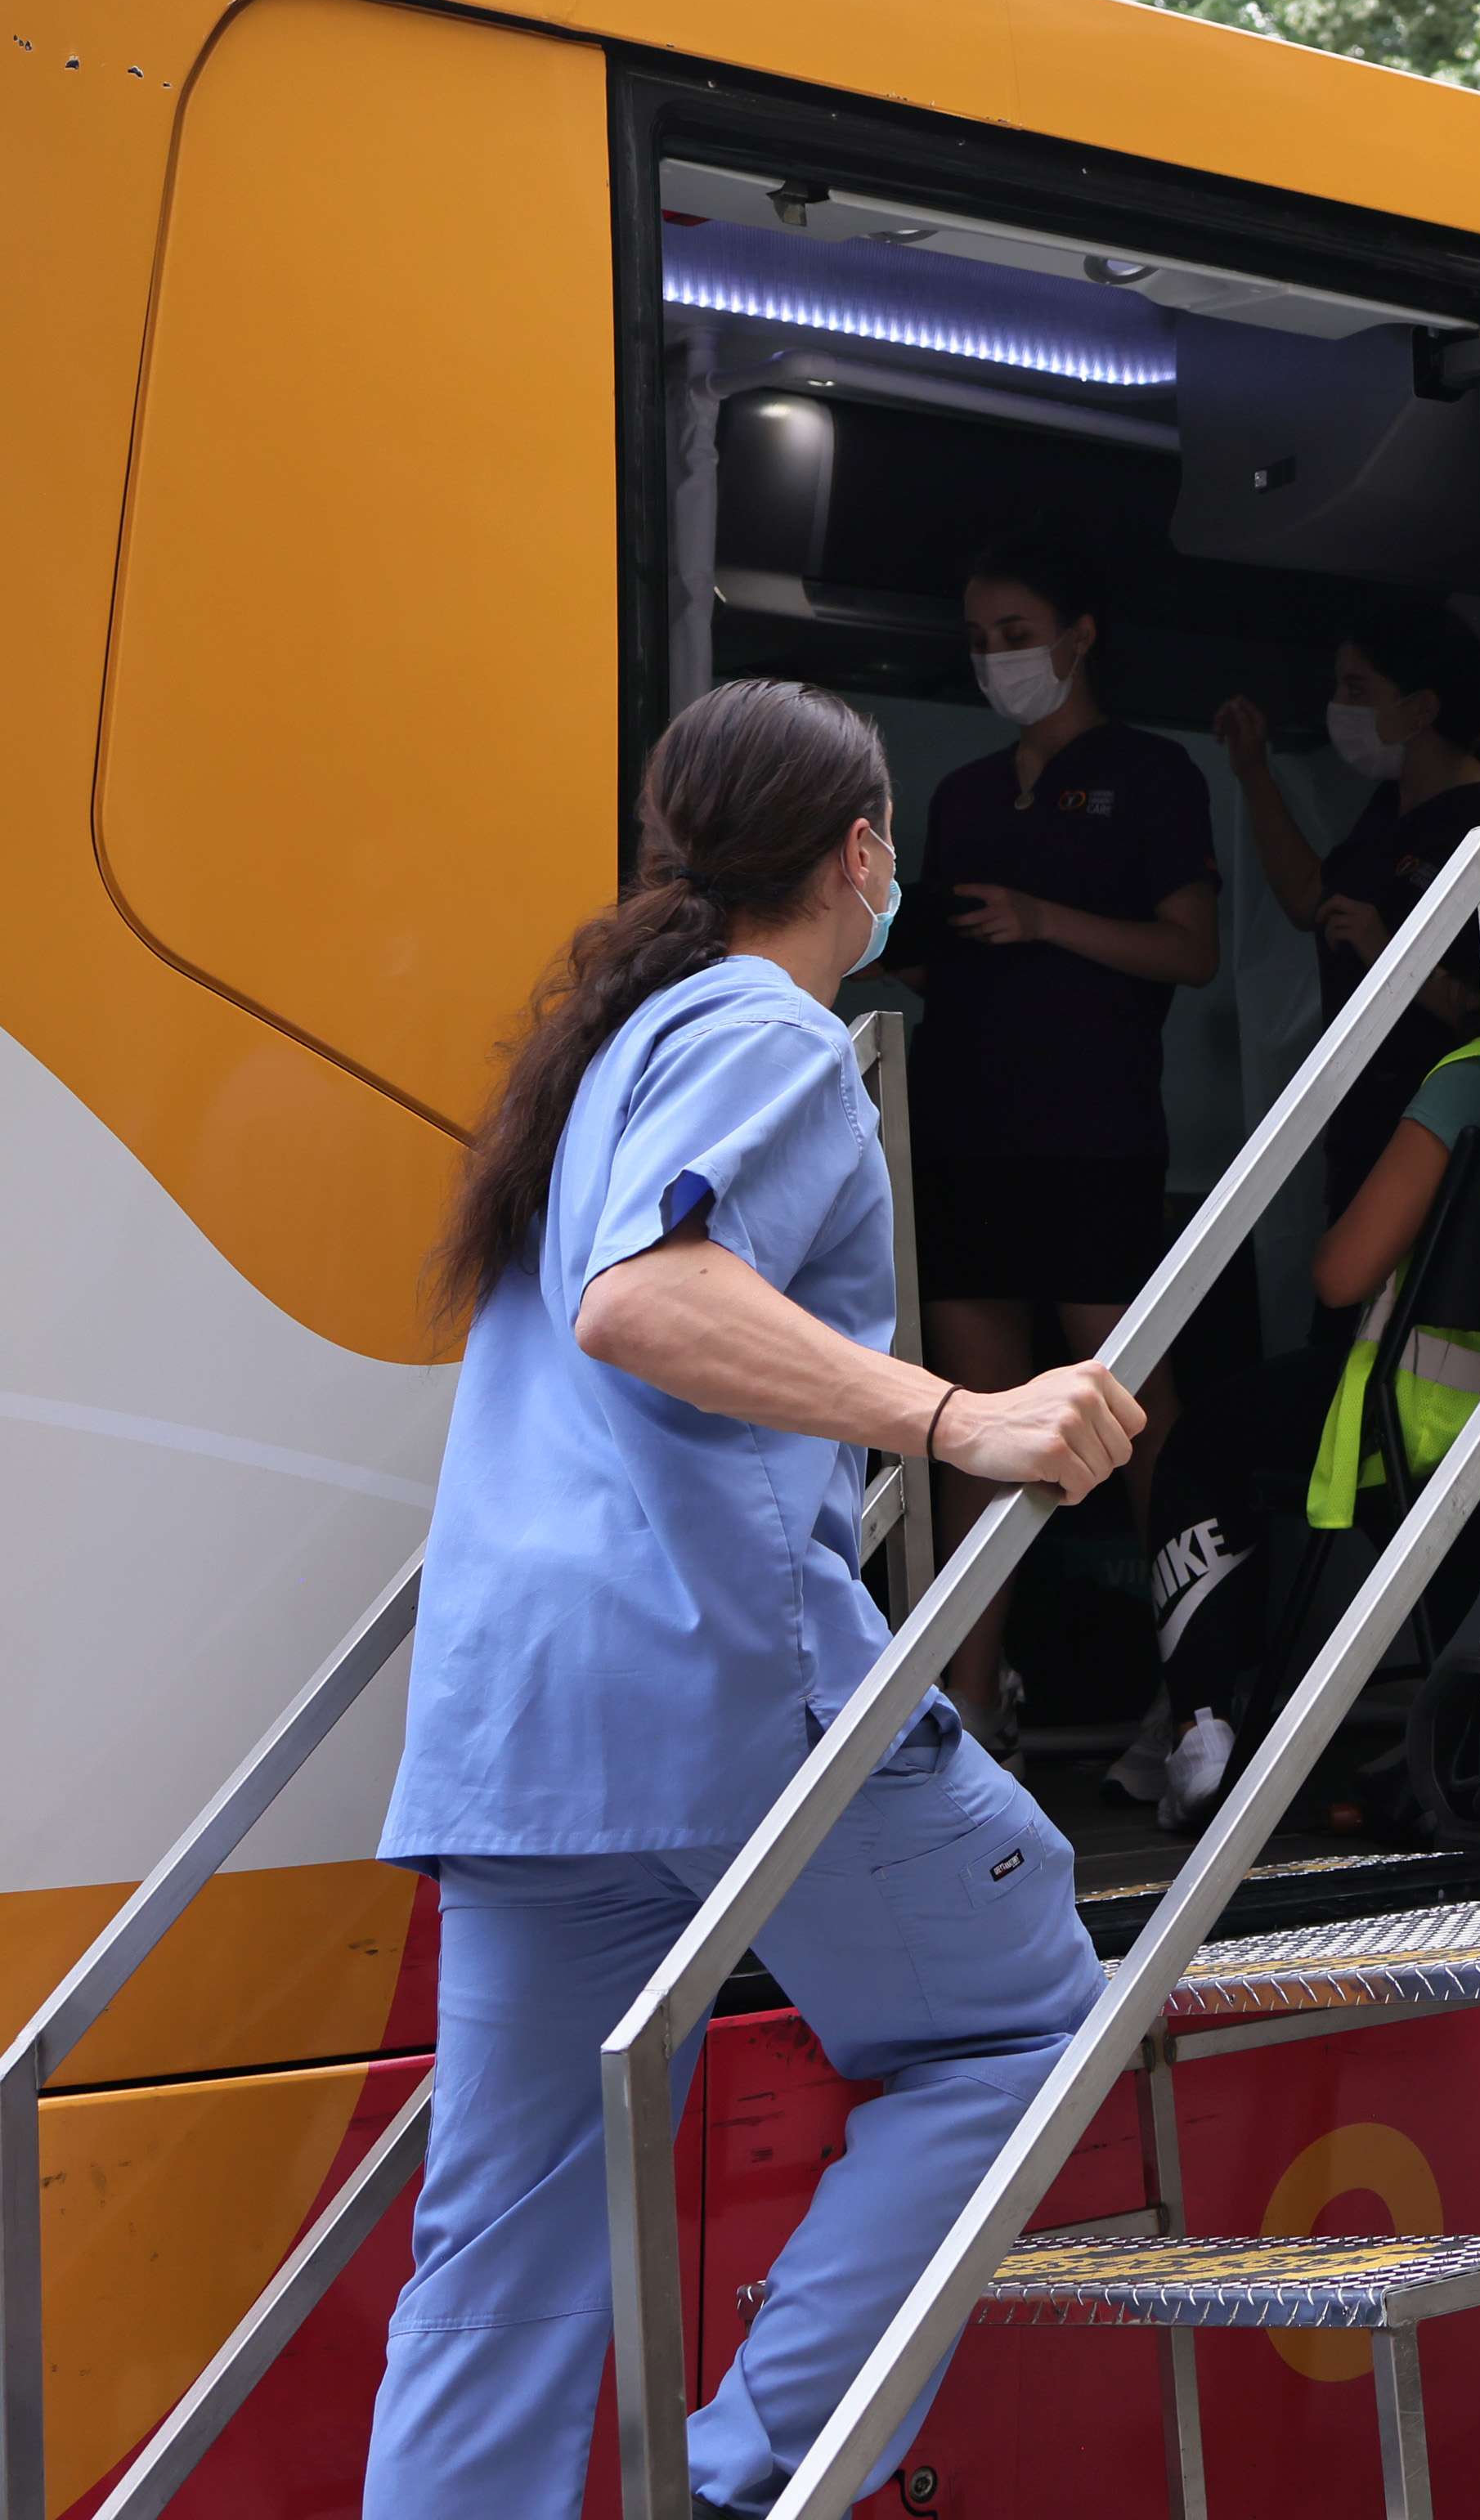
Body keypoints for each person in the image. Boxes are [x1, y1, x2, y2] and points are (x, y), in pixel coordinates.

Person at [367, 679, 1142, 2520]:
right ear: (861, 855)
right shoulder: (770, 1032)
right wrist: (956, 1413)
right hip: (714, 1690)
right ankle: (739, 2477)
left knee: (504, 2247)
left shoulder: (607, 1056)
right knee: (1020, 2024)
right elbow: (647, 1297)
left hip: (517, 1725)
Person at [901, 537, 1219, 1773]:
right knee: (972, 1420)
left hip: (1095, 1132)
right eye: (979, 640)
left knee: (1131, 1411)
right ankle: (975, 1702)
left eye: (1017, 632)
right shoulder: (965, 793)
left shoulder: (1151, 774)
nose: (997, 659)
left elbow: (1191, 950)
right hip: (965, 1128)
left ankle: (1199, 1696)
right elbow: (939, 954)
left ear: (1081, 635)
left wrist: (1041, 919)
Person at [1141, 950, 1480, 1832]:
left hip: (1417, 1426)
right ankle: (1457, 1726)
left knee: (1197, 1443)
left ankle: (1200, 1734)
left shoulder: (1473, 1076)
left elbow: (1341, 1275)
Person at [1213, 601, 1480, 1217]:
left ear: (1421, 709)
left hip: (1439, 1133)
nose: (1339, 707)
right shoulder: (1388, 810)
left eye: (1357, 689)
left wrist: (1388, 951)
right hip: (1360, 1122)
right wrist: (1253, 771)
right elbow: (1309, 899)